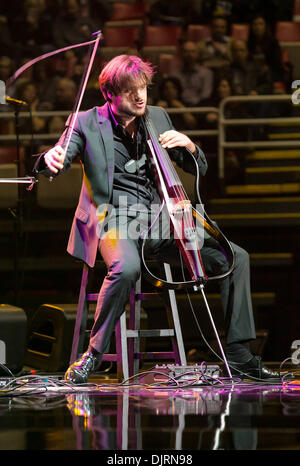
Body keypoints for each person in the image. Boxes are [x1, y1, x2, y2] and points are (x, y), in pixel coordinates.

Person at [34, 54, 279, 384]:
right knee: (127, 267)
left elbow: (199, 167)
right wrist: (50, 159)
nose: (140, 97)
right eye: (130, 91)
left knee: (235, 258)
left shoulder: (159, 117)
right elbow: (58, 157)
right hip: (112, 221)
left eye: (144, 88)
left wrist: (190, 147)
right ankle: (92, 354)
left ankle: (237, 355)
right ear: (109, 93)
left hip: (160, 222)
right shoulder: (85, 122)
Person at [169, 41, 214, 107]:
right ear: (181, 54)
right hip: (179, 107)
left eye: (192, 51)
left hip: (200, 107)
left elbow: (205, 95)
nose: (189, 55)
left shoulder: (206, 73)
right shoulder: (174, 75)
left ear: (197, 54)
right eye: (186, 52)